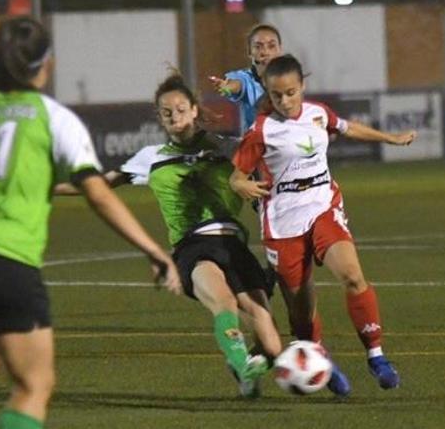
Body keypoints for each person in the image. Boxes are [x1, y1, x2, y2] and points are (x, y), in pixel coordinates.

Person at [0, 16, 181, 429]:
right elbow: (97, 193)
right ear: (47, 63)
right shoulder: (53, 117)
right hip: (5, 253)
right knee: (34, 385)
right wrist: (153, 250)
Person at [55, 71, 283, 397]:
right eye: (166, 112)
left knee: (270, 338)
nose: (174, 115)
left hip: (233, 244)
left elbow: (266, 169)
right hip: (193, 246)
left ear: (193, 110)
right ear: (159, 118)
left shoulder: (227, 148)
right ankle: (242, 361)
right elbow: (98, 184)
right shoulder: (151, 158)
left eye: (179, 108)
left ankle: (243, 364)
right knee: (224, 302)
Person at [229, 54, 417, 395]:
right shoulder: (261, 130)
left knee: (352, 275)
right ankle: (321, 364)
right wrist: (241, 184)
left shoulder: (317, 113)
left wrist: (389, 138)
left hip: (322, 206)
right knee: (301, 313)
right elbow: (236, 176)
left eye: (290, 92)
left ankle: (376, 356)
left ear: (302, 86)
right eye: (276, 95)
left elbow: (347, 127)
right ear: (268, 95)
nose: (284, 101)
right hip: (283, 222)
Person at [208, 23, 283, 134]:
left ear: (280, 49)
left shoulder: (289, 77)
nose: (265, 52)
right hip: (254, 146)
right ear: (249, 51)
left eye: (271, 46)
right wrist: (227, 87)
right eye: (258, 47)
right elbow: (237, 84)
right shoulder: (245, 78)